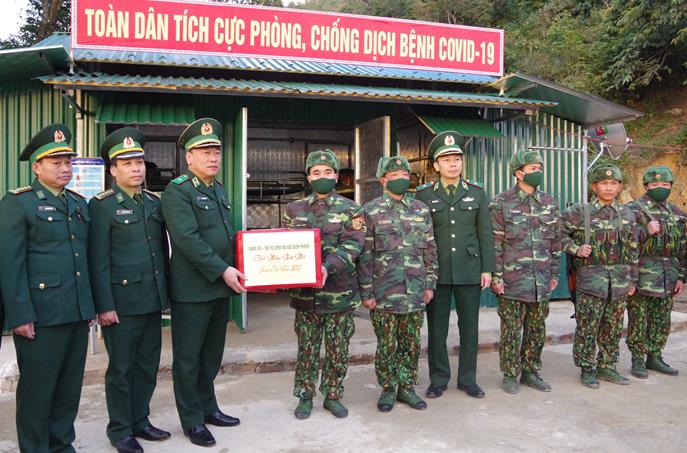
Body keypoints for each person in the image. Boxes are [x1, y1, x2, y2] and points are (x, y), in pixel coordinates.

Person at [0, 124, 95, 452]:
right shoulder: (18, 203)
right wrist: (19, 315)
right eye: (56, 162)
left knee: (68, 389)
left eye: (68, 161)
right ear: (37, 167)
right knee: (38, 391)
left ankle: (61, 445)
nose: (64, 167)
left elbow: (84, 260)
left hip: (76, 310)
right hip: (40, 315)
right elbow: (10, 264)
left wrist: (89, 306)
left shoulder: (78, 203)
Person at [161, 118, 246, 447]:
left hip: (219, 287)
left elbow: (226, 237)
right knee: (188, 359)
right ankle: (192, 419)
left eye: (216, 152)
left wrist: (246, 261)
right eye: (205, 152)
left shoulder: (218, 189)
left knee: (211, 355)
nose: (213, 158)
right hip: (192, 290)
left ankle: (209, 408)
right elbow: (188, 240)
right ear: (189, 157)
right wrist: (224, 270)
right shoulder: (178, 191)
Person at [89, 127, 171, 453]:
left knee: (147, 366)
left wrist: (165, 295)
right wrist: (104, 305)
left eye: (138, 162)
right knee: (121, 370)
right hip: (121, 304)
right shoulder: (102, 206)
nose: (136, 168)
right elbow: (98, 261)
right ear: (113, 170)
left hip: (151, 299)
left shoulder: (153, 202)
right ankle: (120, 429)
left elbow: (160, 252)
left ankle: (140, 420)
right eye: (127, 163)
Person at [283, 149, 366, 420]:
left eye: (327, 172)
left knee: (337, 348)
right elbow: (285, 246)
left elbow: (353, 245)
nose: (322, 176)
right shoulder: (293, 209)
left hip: (339, 293)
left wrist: (326, 267)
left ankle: (333, 395)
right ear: (308, 177)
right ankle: (305, 396)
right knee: (307, 348)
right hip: (305, 296)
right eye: (316, 172)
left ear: (336, 176)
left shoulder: (352, 210)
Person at [415, 131, 495, 399]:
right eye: (446, 159)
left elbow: (485, 233)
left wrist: (487, 269)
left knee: (469, 328)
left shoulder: (477, 193)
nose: (453, 164)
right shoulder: (424, 195)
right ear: (436, 165)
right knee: (436, 329)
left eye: (457, 159)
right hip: (436, 272)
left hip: (469, 269)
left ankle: (468, 380)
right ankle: (438, 379)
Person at [359, 156, 438, 412]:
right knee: (387, 345)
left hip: (415, 291)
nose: (401, 179)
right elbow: (365, 255)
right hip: (384, 293)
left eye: (405, 174)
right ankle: (388, 388)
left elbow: (430, 250)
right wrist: (366, 292)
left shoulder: (420, 210)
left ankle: (407, 387)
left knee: (411, 344)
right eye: (395, 175)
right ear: (384, 180)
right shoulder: (370, 211)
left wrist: (430, 284)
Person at [490, 149, 562, 394]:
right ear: (518, 173)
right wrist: (497, 277)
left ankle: (531, 371)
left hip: (541, 280)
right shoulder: (501, 203)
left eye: (540, 168)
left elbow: (555, 243)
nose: (538, 172)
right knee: (511, 331)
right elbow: (495, 244)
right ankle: (510, 374)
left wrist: (554, 274)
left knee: (536, 329)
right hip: (512, 282)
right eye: (533, 169)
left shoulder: (550, 203)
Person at [561, 164, 639, 389]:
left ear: (620, 187)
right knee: (588, 327)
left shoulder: (627, 214)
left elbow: (633, 248)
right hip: (590, 282)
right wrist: (575, 249)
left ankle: (607, 365)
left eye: (614, 183)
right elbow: (555, 233)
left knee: (613, 327)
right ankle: (587, 368)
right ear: (594, 186)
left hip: (619, 282)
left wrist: (633, 280)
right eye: (604, 183)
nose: (609, 187)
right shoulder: (579, 212)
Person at [625, 166, 685, 377]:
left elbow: (683, 248)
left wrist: (681, 276)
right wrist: (645, 231)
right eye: (655, 184)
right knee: (639, 319)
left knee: (662, 319)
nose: (661, 187)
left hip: (669, 276)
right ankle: (638, 359)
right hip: (642, 275)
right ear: (646, 186)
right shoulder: (632, 210)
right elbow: (624, 241)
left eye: (665, 184)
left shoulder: (677, 214)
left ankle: (655, 356)